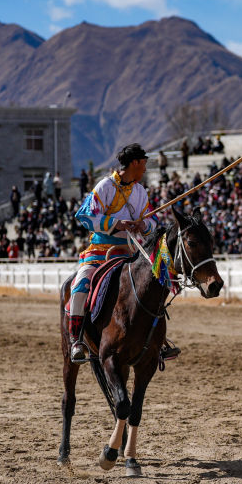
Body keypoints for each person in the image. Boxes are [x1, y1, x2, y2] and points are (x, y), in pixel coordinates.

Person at [68, 144, 158, 363]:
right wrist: (118, 223)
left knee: (154, 285)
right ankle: (76, 340)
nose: (145, 169)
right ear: (135, 163)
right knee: (80, 286)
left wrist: (142, 225)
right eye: (144, 163)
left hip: (130, 252)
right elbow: (85, 216)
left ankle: (158, 340)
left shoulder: (140, 191)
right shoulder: (105, 186)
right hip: (100, 251)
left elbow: (153, 221)